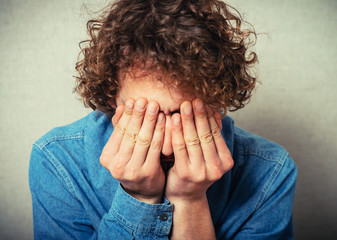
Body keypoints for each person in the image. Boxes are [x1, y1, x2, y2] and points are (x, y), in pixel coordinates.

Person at [29, 0, 297, 239]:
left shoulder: (271, 172)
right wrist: (139, 198)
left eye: (184, 115)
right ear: (112, 97)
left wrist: (190, 200)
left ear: (218, 102)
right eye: (147, 115)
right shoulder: (58, 159)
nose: (168, 148)